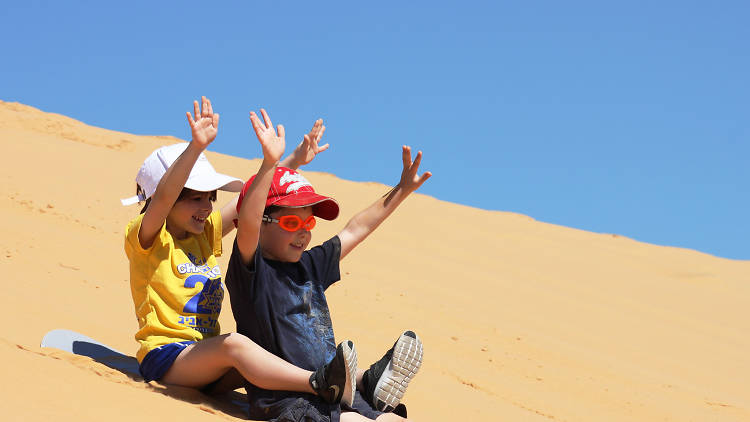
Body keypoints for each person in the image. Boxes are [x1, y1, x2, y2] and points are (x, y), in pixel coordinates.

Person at [122, 96, 357, 405]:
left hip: (209, 362)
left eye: (210, 198)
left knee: (270, 339)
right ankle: (320, 384)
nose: (206, 207)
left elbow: (252, 201)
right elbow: (164, 197)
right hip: (167, 359)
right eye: (195, 198)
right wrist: (196, 147)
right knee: (236, 344)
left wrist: (287, 162)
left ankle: (354, 388)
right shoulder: (148, 237)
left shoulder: (204, 234)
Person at [226, 107, 430, 421]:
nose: (303, 234)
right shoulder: (253, 271)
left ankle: (367, 381)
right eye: (293, 222)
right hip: (286, 400)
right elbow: (249, 222)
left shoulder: (311, 265)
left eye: (309, 225)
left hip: (334, 390)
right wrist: (270, 163)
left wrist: (401, 190)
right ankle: (369, 379)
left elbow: (356, 228)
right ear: (264, 223)